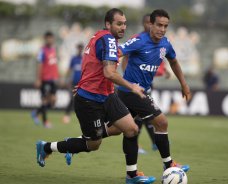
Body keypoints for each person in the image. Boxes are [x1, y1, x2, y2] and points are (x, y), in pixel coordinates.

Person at [35, 8, 155, 184]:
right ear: (108, 24)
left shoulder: (98, 37)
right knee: (93, 145)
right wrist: (132, 87)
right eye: (119, 23)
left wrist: (84, 82)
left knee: (131, 129)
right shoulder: (107, 39)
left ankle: (132, 175)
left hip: (107, 95)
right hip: (89, 101)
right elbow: (108, 73)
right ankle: (47, 147)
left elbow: (90, 64)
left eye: (125, 24)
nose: (123, 27)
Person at [116, 9, 192, 181]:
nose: (162, 29)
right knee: (161, 122)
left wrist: (184, 84)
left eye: (165, 26)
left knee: (120, 130)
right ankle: (169, 164)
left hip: (139, 92)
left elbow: (173, 61)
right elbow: (117, 53)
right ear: (150, 24)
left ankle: (56, 146)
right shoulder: (139, 40)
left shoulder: (165, 44)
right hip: (131, 92)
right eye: (159, 25)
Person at [122, 13, 170, 154]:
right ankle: (157, 144)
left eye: (164, 26)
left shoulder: (160, 42)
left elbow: (157, 60)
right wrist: (128, 80)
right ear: (146, 24)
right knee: (148, 116)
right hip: (133, 88)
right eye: (149, 23)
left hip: (147, 84)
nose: (151, 26)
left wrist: (164, 71)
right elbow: (125, 57)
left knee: (134, 119)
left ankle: (84, 141)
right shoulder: (137, 39)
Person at [31, 31, 59, 128]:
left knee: (53, 101)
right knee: (44, 100)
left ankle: (36, 112)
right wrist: (38, 79)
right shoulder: (42, 50)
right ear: (45, 39)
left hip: (53, 79)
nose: (50, 39)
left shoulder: (54, 49)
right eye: (48, 38)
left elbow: (54, 64)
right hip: (45, 79)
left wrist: (57, 75)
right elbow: (39, 65)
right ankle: (45, 122)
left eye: (51, 38)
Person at [62, 43, 84, 124]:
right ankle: (66, 115)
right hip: (74, 83)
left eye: (81, 48)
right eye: (79, 48)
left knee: (81, 100)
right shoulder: (73, 59)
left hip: (82, 84)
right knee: (72, 99)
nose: (80, 50)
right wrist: (65, 79)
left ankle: (82, 116)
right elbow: (69, 70)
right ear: (77, 49)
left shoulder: (84, 59)